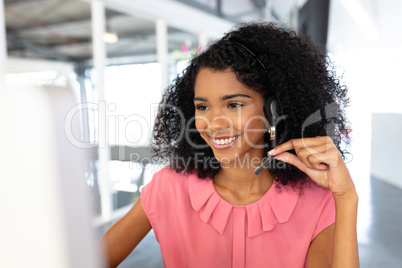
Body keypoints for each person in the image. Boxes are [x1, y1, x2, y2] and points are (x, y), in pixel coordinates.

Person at [100, 22, 359, 268]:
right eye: (203, 107)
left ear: (274, 110)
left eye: (234, 105)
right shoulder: (169, 187)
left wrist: (346, 198)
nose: (214, 123)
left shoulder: (316, 202)